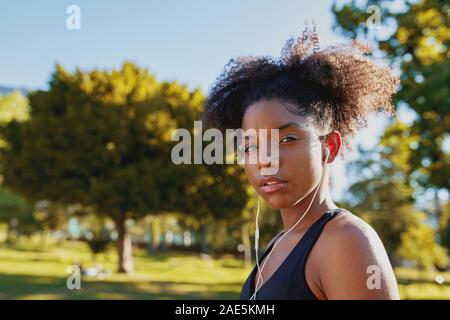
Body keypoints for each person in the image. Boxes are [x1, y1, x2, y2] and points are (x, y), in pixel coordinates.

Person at [202, 26, 400, 300]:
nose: (265, 161)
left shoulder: (346, 241)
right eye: (251, 146)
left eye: (287, 139)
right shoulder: (276, 244)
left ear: (329, 146)